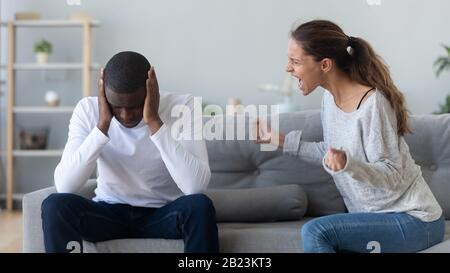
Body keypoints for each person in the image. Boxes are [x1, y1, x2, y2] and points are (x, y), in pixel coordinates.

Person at [257, 20, 444, 253]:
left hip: (415, 219)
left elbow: (391, 174)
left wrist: (348, 164)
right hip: (375, 218)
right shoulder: (330, 100)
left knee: (316, 232)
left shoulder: (373, 104)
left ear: (324, 65)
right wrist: (281, 141)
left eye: (295, 62)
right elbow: (332, 154)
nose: (288, 68)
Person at [41, 51, 219, 253]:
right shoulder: (87, 110)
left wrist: (154, 122)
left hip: (163, 213)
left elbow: (195, 186)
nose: (126, 115)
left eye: (135, 105)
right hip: (108, 212)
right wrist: (102, 126)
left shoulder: (183, 107)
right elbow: (65, 185)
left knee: (199, 206)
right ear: (104, 92)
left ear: (152, 88)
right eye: (117, 107)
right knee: (55, 205)